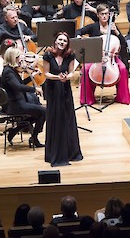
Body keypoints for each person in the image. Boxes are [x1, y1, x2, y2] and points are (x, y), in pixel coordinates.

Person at [76, 3, 130, 106]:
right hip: (95, 56)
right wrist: (79, 36)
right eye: (102, 14)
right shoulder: (93, 27)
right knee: (85, 69)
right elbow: (79, 31)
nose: (105, 16)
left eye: (106, 14)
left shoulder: (113, 27)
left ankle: (122, 97)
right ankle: (87, 99)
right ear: (98, 15)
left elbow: (123, 43)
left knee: (123, 68)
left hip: (111, 57)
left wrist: (117, 33)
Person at [44, 32, 83, 167]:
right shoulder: (48, 55)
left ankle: (70, 152)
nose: (61, 42)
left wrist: (68, 77)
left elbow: (72, 72)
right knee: (55, 118)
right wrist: (58, 78)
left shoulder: (70, 55)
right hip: (53, 90)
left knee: (67, 118)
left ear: (67, 44)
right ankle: (53, 152)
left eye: (64, 41)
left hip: (65, 90)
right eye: (60, 40)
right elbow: (46, 74)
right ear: (55, 41)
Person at [1, 47, 46, 147]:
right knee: (44, 112)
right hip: (15, 105)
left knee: (38, 114)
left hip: (18, 102)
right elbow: (18, 87)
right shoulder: (8, 72)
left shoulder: (11, 70)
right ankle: (34, 138)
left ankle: (16, 129)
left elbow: (20, 83)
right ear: (12, 58)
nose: (21, 59)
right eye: (18, 57)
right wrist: (35, 89)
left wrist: (32, 76)